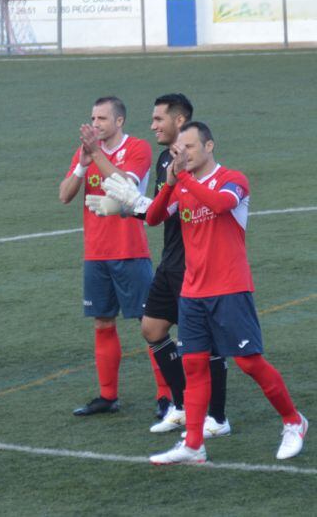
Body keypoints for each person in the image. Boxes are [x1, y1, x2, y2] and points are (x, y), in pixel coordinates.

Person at [108, 121, 306, 464]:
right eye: (178, 150)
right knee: (195, 363)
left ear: (210, 146)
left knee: (249, 361)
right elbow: (154, 217)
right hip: (193, 291)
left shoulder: (233, 180)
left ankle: (293, 421)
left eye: (190, 148)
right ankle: (194, 444)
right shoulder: (181, 186)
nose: (183, 154)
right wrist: (168, 185)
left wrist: (181, 179)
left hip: (230, 288)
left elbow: (218, 204)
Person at [90, 94, 230, 436]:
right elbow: (161, 209)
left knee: (205, 342)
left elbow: (190, 204)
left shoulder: (192, 161)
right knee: (152, 328)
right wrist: (127, 206)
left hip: (194, 262)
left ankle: (217, 417)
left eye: (158, 119)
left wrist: (129, 204)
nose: (152, 125)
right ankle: (182, 406)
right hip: (171, 261)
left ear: (179, 122)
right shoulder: (165, 161)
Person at [59, 96, 153, 416]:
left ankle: (168, 398)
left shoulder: (138, 148)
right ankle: (107, 396)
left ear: (119, 122)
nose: (95, 124)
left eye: (101, 119)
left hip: (131, 250)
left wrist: (95, 154)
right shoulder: (87, 152)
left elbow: (124, 186)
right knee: (102, 322)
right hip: (95, 253)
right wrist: (82, 165)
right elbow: (64, 196)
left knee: (150, 324)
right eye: (92, 118)